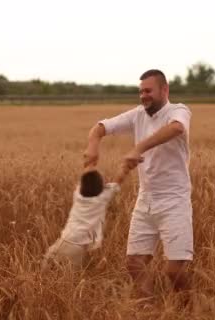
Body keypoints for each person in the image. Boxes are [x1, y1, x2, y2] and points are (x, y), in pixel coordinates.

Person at [83, 69, 193, 296]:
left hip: (174, 200)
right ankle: (148, 311)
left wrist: (139, 147)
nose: (143, 96)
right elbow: (101, 127)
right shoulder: (138, 115)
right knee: (134, 263)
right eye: (141, 91)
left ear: (165, 90)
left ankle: (187, 312)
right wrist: (93, 144)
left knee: (174, 271)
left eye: (148, 91)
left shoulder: (179, 111)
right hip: (146, 199)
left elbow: (176, 128)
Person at [41, 164, 130, 271]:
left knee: (46, 266)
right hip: (77, 248)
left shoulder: (78, 195)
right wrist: (126, 167)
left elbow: (86, 175)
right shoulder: (102, 198)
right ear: (101, 187)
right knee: (72, 278)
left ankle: (38, 282)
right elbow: (118, 180)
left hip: (63, 240)